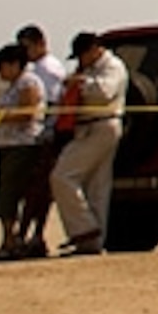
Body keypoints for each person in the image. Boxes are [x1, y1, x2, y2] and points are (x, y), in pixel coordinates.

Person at [48, 31, 129, 257]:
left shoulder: (113, 66)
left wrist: (80, 84)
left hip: (102, 125)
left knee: (62, 176)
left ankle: (84, 229)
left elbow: (104, 92)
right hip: (86, 126)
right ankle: (92, 242)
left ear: (94, 50)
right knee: (96, 186)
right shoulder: (88, 69)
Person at [0, 44, 51, 261]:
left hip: (23, 145)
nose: (0, 71)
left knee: (12, 192)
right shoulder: (12, 86)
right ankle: (9, 239)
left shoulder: (28, 83)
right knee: (6, 193)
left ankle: (16, 239)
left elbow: (26, 113)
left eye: (2, 66)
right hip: (8, 145)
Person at [14, 25, 71, 258]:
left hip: (45, 134)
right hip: (46, 133)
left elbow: (48, 102)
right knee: (38, 190)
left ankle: (30, 235)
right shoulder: (47, 68)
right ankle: (31, 235)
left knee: (37, 190)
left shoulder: (44, 70)